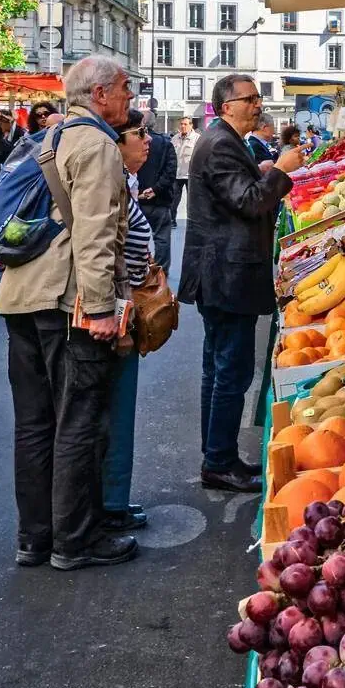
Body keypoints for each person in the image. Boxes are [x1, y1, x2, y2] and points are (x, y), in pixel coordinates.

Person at [0, 56, 137, 570]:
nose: (130, 97)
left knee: (33, 424)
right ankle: (75, 540)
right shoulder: (96, 144)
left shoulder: (47, 138)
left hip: (20, 295)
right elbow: (95, 234)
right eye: (124, 88)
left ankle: (34, 538)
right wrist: (100, 308)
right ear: (98, 94)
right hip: (66, 299)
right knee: (78, 420)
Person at [179, 74, 305, 491]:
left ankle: (219, 454)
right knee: (229, 371)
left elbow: (239, 192)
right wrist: (281, 172)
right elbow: (249, 202)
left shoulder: (224, 141)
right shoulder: (220, 144)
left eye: (258, 97)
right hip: (227, 274)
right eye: (249, 98)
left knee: (218, 370)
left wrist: (263, 171)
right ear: (225, 106)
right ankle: (219, 461)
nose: (258, 104)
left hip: (221, 273)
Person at [103, 110, 158, 533]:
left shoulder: (126, 182)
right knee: (114, 410)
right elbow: (111, 251)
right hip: (113, 313)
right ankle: (109, 504)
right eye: (139, 133)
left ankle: (113, 498)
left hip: (120, 307)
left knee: (118, 408)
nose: (147, 140)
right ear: (117, 143)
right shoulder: (113, 183)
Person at [130, 108, 179, 278]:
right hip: (158, 199)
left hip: (136, 199)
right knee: (162, 239)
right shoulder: (165, 143)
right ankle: (160, 273)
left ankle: (138, 272)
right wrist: (156, 189)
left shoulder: (130, 141)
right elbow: (171, 171)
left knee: (135, 239)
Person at [173, 117, 198, 218]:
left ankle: (191, 219)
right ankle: (172, 219)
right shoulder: (175, 138)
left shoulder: (197, 138)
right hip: (177, 174)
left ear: (191, 125)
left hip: (190, 175)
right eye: (181, 124)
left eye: (185, 124)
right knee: (174, 199)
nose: (183, 126)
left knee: (192, 200)